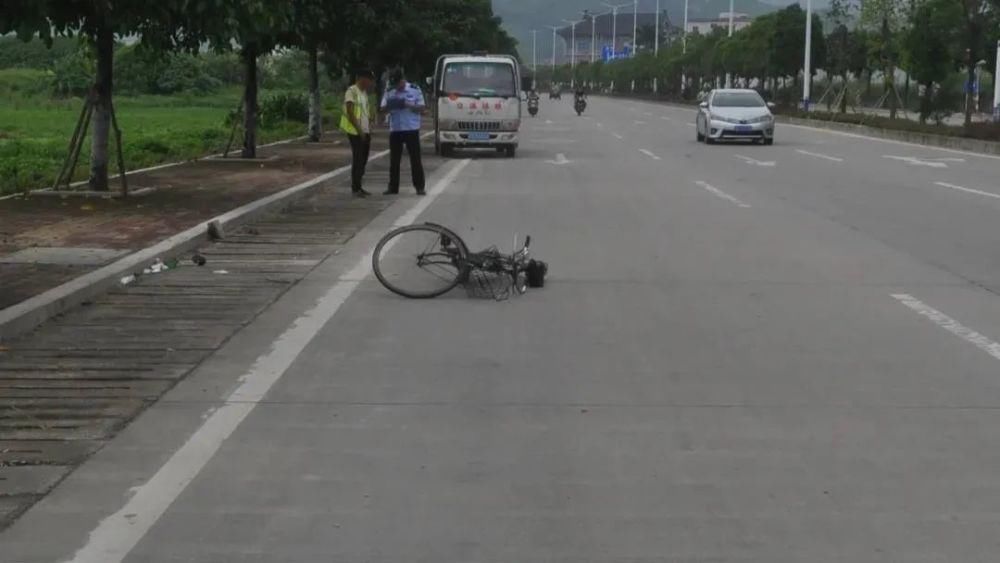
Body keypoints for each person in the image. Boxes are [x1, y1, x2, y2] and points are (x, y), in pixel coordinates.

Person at [380, 69, 426, 196]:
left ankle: (419, 187)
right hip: (396, 129)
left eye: (398, 84)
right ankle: (393, 187)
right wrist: (391, 105)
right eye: (394, 85)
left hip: (411, 129)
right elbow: (382, 108)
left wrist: (407, 104)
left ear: (403, 80)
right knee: (394, 160)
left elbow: (422, 108)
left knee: (415, 159)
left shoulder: (414, 89)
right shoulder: (390, 91)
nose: (397, 87)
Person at [339, 69, 375, 197]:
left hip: (365, 130)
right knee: (358, 159)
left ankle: (359, 186)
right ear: (362, 78)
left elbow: (365, 110)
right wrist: (359, 130)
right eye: (369, 80)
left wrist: (370, 121)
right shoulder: (352, 91)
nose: (369, 83)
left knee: (364, 159)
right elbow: (350, 112)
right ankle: (355, 188)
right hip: (355, 131)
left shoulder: (363, 92)